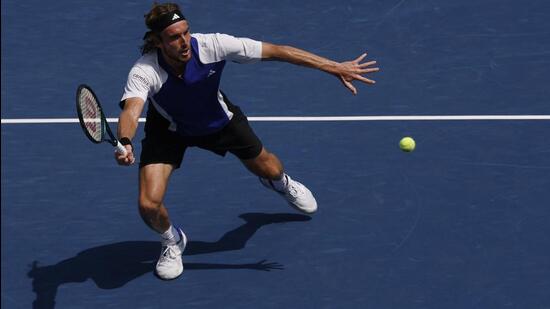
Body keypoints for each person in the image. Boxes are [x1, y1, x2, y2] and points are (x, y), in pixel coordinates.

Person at [115, 2, 379, 280]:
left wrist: (333, 66)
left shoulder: (212, 45)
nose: (184, 42)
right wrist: (125, 140)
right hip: (169, 131)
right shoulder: (144, 70)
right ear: (158, 41)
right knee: (148, 204)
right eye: (174, 37)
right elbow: (132, 110)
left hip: (218, 121)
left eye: (186, 33)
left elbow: (278, 51)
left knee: (271, 169)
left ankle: (281, 183)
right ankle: (172, 241)